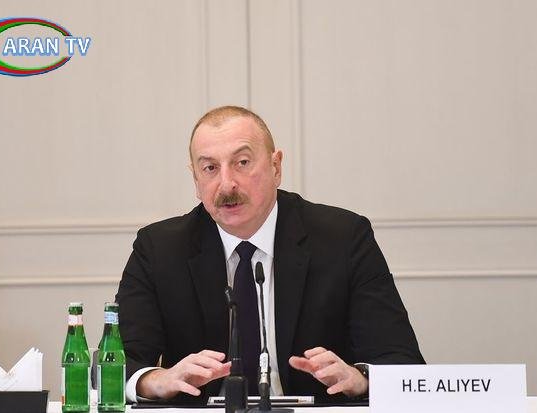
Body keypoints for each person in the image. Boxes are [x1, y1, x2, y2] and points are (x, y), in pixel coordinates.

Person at [115, 106, 424, 404]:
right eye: (210, 168)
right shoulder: (159, 249)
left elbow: (401, 361)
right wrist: (153, 381)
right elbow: (116, 362)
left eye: (242, 162)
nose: (227, 184)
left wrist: (361, 379)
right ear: (196, 180)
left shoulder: (344, 239)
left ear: (276, 167)